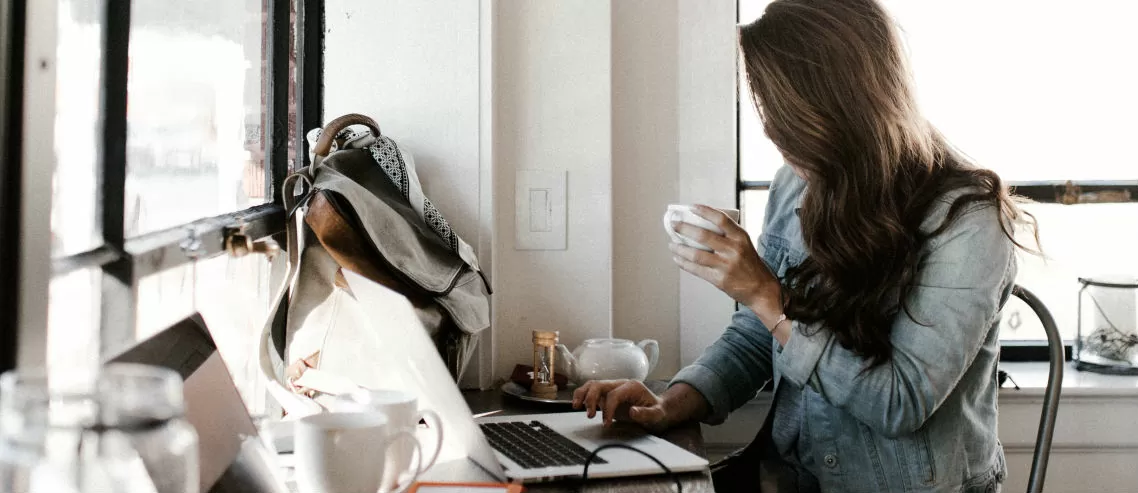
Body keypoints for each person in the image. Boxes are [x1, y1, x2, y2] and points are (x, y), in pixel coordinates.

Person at [572, 0, 1037, 491]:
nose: (773, 132)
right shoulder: (796, 186)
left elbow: (898, 403)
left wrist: (766, 296)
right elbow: (758, 336)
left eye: (784, 115)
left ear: (840, 107)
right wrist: (670, 402)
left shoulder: (968, 223)